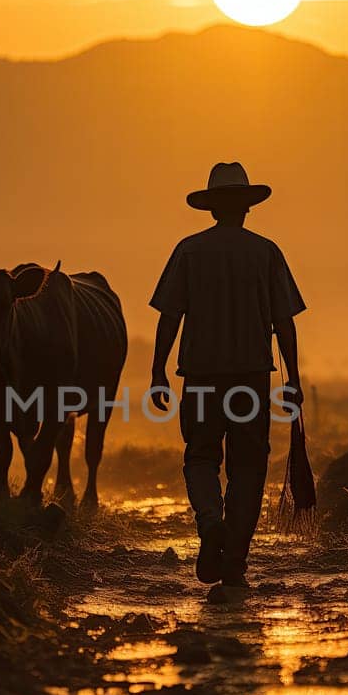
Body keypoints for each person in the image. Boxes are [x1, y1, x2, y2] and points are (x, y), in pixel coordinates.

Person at [149, 162, 306, 592]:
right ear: (247, 208)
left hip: (199, 377)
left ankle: (211, 523)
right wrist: (293, 379)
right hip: (252, 380)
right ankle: (234, 563)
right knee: (249, 466)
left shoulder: (189, 250)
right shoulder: (267, 252)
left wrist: (158, 370)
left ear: (212, 209)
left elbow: (169, 316)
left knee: (200, 457)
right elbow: (284, 323)